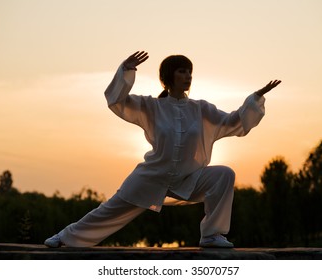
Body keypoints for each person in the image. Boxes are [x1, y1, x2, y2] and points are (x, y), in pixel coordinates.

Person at [44, 51, 281, 248]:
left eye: (190, 72)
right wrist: (126, 71)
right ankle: (65, 237)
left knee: (224, 174)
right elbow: (117, 102)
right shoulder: (152, 106)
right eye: (181, 71)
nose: (187, 76)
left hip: (189, 178)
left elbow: (232, 121)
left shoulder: (201, 109)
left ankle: (211, 235)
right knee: (111, 210)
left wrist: (254, 99)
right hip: (152, 176)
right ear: (169, 76)